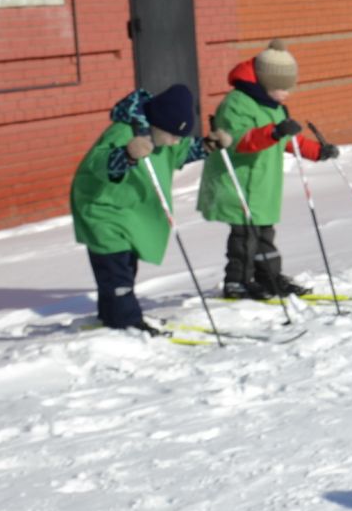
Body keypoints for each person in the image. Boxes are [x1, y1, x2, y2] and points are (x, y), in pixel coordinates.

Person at [69, 84, 227, 331]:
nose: (176, 140)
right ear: (158, 123)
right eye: (173, 135)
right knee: (116, 268)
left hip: (130, 213)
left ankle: (110, 315)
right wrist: (128, 154)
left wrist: (208, 145)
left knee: (124, 266)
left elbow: (181, 152)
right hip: (103, 210)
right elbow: (99, 163)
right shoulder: (123, 132)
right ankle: (126, 321)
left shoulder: (164, 136)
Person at [196, 40, 338, 300]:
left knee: (264, 235)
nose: (287, 94)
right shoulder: (236, 104)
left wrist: (318, 151)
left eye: (288, 88)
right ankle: (237, 281)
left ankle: (268, 277)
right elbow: (237, 141)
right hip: (237, 181)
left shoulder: (272, 105)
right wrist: (272, 132)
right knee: (244, 237)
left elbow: (286, 139)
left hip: (261, 183)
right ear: (264, 82)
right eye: (281, 88)